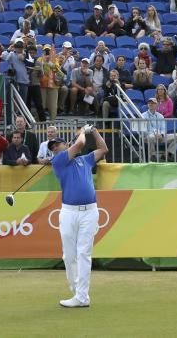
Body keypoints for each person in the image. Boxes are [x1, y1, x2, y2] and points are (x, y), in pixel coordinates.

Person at [49, 125, 108, 308]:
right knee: (69, 255)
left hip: (90, 211)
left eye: (57, 145)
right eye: (52, 147)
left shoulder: (85, 160)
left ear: (65, 144)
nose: (54, 148)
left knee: (84, 253)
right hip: (68, 212)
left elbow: (103, 149)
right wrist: (83, 131)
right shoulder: (58, 161)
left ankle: (82, 296)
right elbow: (81, 142)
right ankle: (77, 290)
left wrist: (95, 131)